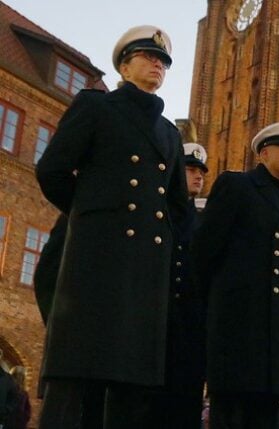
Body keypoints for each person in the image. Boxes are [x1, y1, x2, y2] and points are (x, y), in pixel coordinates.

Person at [36, 25, 188, 428]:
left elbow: (176, 207)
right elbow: (52, 170)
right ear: (124, 65)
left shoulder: (169, 134)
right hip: (94, 267)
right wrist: (91, 217)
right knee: (73, 379)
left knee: (131, 390)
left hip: (146, 276)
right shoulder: (96, 107)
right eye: (148, 57)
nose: (157, 64)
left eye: (163, 61)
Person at [191, 122, 279, 428]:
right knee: (232, 417)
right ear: (264, 153)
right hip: (237, 334)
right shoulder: (237, 186)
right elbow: (203, 253)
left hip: (275, 346)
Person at [156, 143, 209, 427]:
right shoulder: (157, 211)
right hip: (156, 324)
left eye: (201, 171)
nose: (199, 176)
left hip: (190, 330)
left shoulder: (203, 221)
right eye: (190, 169)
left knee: (185, 407)